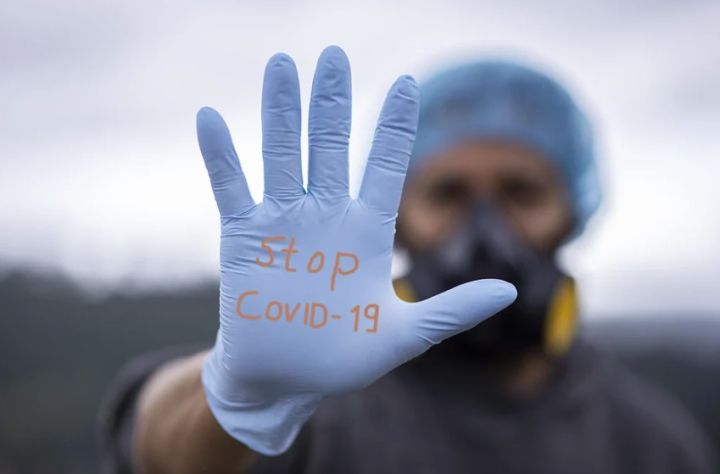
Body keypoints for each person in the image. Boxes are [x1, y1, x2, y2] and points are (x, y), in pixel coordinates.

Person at [100, 46, 716, 474]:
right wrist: (237, 399)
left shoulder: (654, 447)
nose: (485, 231)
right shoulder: (325, 399)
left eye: (521, 192)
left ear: (573, 213)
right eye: (447, 194)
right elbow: (157, 456)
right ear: (394, 217)